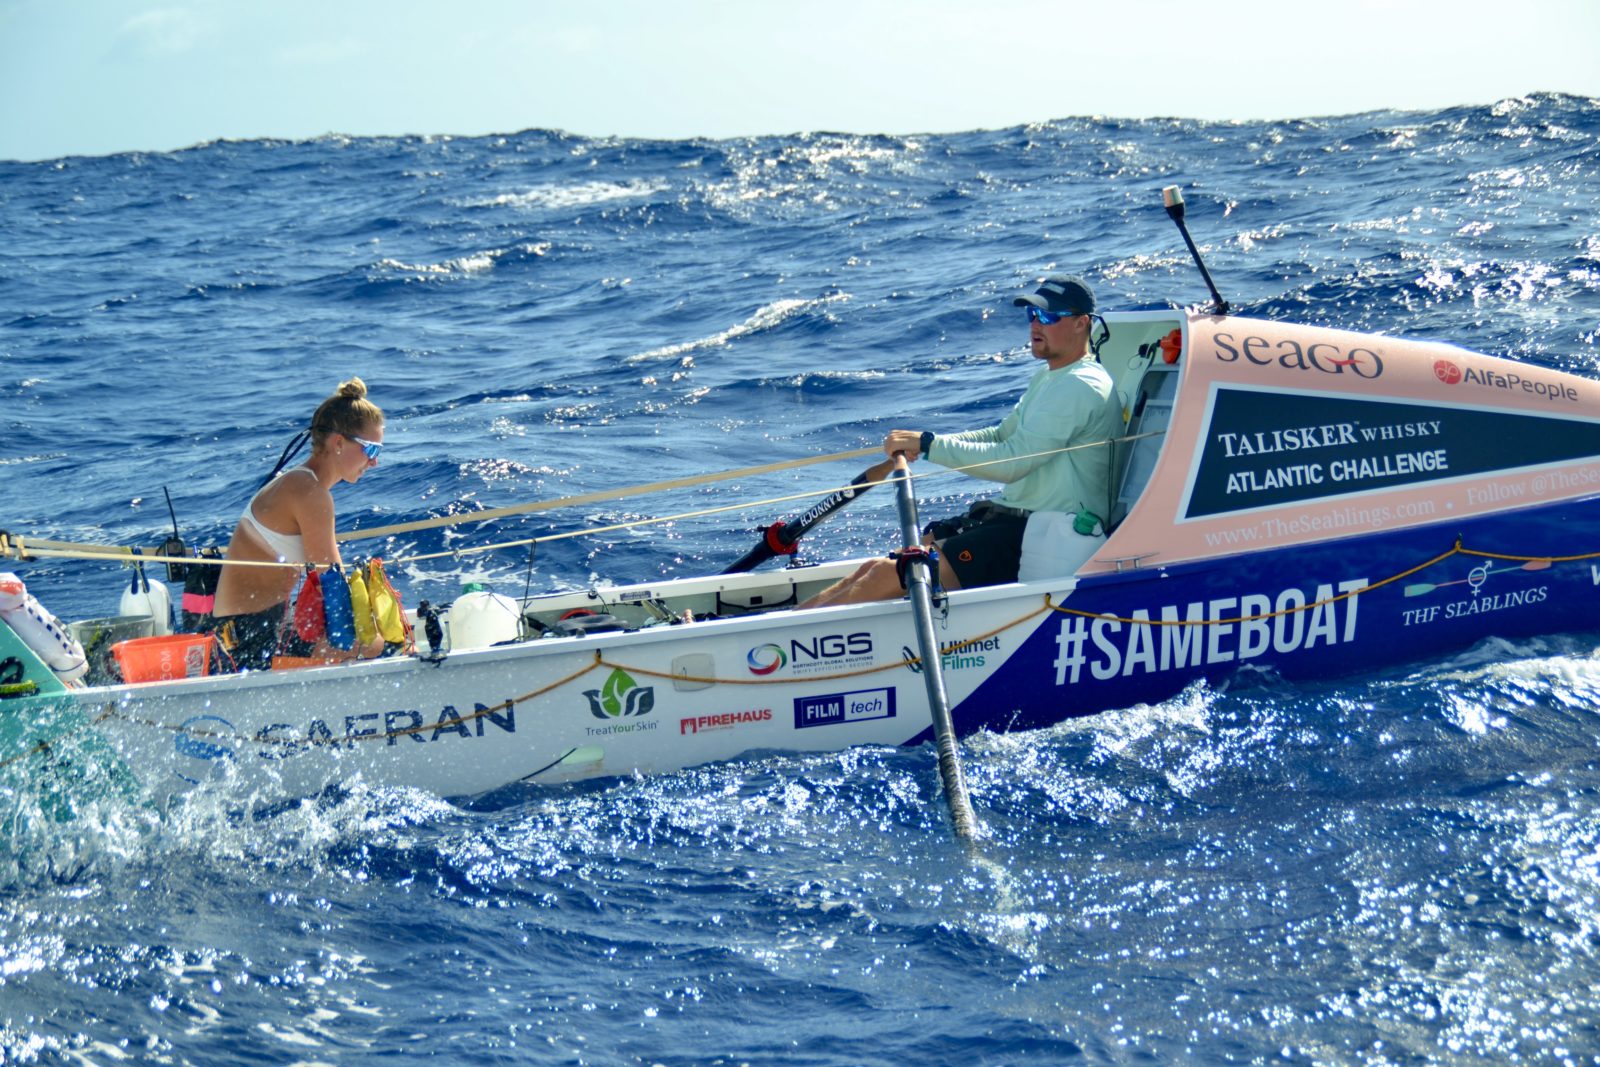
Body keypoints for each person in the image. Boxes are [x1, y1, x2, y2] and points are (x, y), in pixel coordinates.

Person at [802, 275, 1122, 609]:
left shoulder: (1081, 385)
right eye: (1032, 315)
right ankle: (786, 626)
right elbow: (1000, 435)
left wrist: (928, 445)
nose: (1035, 324)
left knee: (888, 575)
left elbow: (1012, 464)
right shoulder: (1051, 376)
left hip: (1043, 529)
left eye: (1047, 316)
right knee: (878, 566)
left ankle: (795, 634)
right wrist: (929, 442)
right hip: (1011, 517)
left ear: (1081, 323)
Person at [201, 377, 388, 670]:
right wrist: (373, 636)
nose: (375, 462)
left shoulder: (301, 482)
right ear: (339, 442)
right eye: (371, 450)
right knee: (376, 643)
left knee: (371, 636)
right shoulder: (309, 492)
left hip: (244, 630)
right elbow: (333, 586)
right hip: (249, 639)